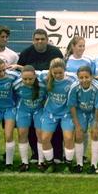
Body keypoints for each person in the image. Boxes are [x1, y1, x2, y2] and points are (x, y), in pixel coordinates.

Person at [17, 29, 64, 164]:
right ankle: (36, 154)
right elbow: (22, 71)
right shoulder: (26, 53)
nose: (39, 41)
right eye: (37, 39)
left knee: (55, 127)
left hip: (50, 93)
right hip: (31, 94)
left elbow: (60, 70)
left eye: (42, 39)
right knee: (32, 128)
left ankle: (58, 154)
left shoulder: (55, 52)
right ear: (33, 40)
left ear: (47, 39)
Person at [39, 58, 76, 173]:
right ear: (51, 71)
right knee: (44, 138)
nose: (58, 75)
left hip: (66, 113)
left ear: (65, 70)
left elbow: (86, 78)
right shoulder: (44, 76)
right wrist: (19, 67)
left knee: (69, 138)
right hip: (50, 113)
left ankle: (68, 164)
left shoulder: (72, 78)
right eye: (55, 73)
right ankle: (50, 164)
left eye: (61, 72)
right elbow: (30, 72)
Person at [68, 66, 98, 173]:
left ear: (92, 77)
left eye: (86, 77)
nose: (84, 80)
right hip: (80, 111)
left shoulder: (97, 87)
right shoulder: (74, 87)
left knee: (95, 134)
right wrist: (77, 125)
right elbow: (72, 106)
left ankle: (94, 164)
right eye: (81, 77)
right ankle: (79, 164)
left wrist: (96, 123)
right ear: (78, 78)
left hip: (93, 112)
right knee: (79, 135)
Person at [13, 65, 47, 172]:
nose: (27, 81)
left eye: (30, 79)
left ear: (35, 76)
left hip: (39, 110)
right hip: (23, 110)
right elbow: (13, 97)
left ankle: (41, 162)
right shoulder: (16, 85)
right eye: (25, 79)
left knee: (40, 134)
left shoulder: (43, 84)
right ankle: (24, 162)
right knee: (22, 133)